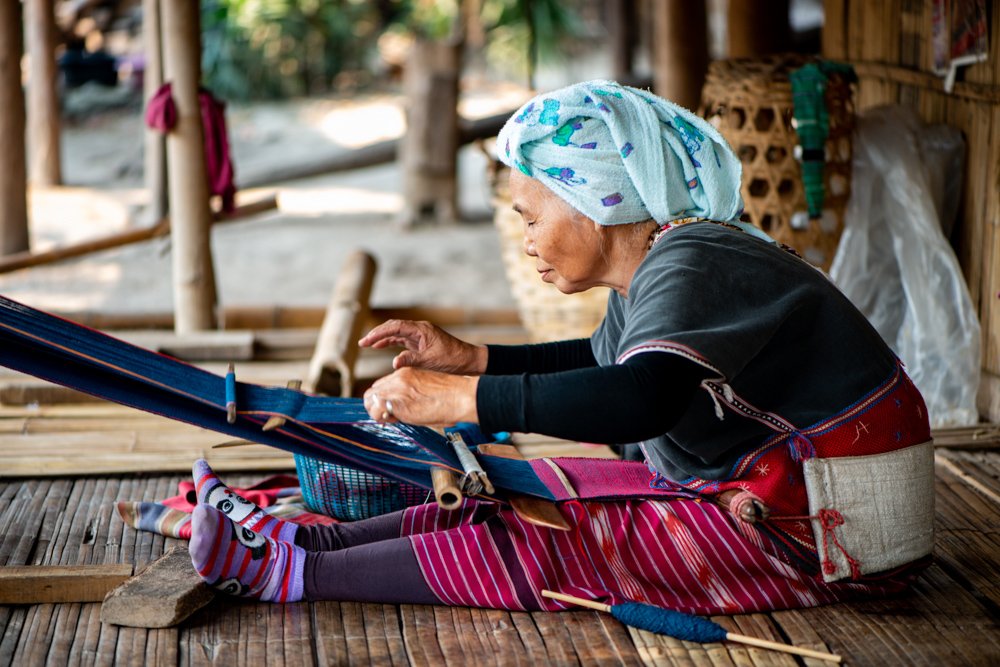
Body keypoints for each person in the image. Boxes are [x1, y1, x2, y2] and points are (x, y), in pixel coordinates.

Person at [189, 80, 934, 613]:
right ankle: (295, 544)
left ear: (596, 201)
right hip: (787, 503)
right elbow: (602, 364)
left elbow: (639, 399)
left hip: (836, 538)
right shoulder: (656, 269)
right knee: (528, 491)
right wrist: (471, 360)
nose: (528, 238)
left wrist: (460, 399)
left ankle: (286, 573)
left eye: (532, 214)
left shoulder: (693, 259)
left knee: (562, 539)